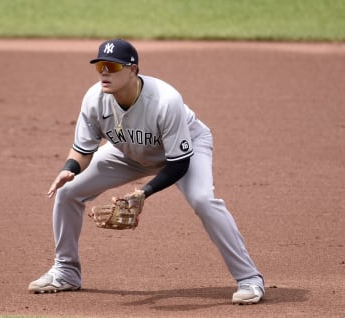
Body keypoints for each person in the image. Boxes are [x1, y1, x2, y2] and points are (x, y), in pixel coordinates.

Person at [28, 39, 264, 305]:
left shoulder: (165, 100)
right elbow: (83, 150)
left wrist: (144, 192)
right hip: (127, 151)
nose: (104, 72)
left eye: (112, 66)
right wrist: (68, 169)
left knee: (203, 200)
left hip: (185, 149)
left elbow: (178, 163)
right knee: (69, 191)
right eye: (100, 67)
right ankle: (66, 272)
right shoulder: (95, 99)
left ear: (133, 70)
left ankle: (249, 279)